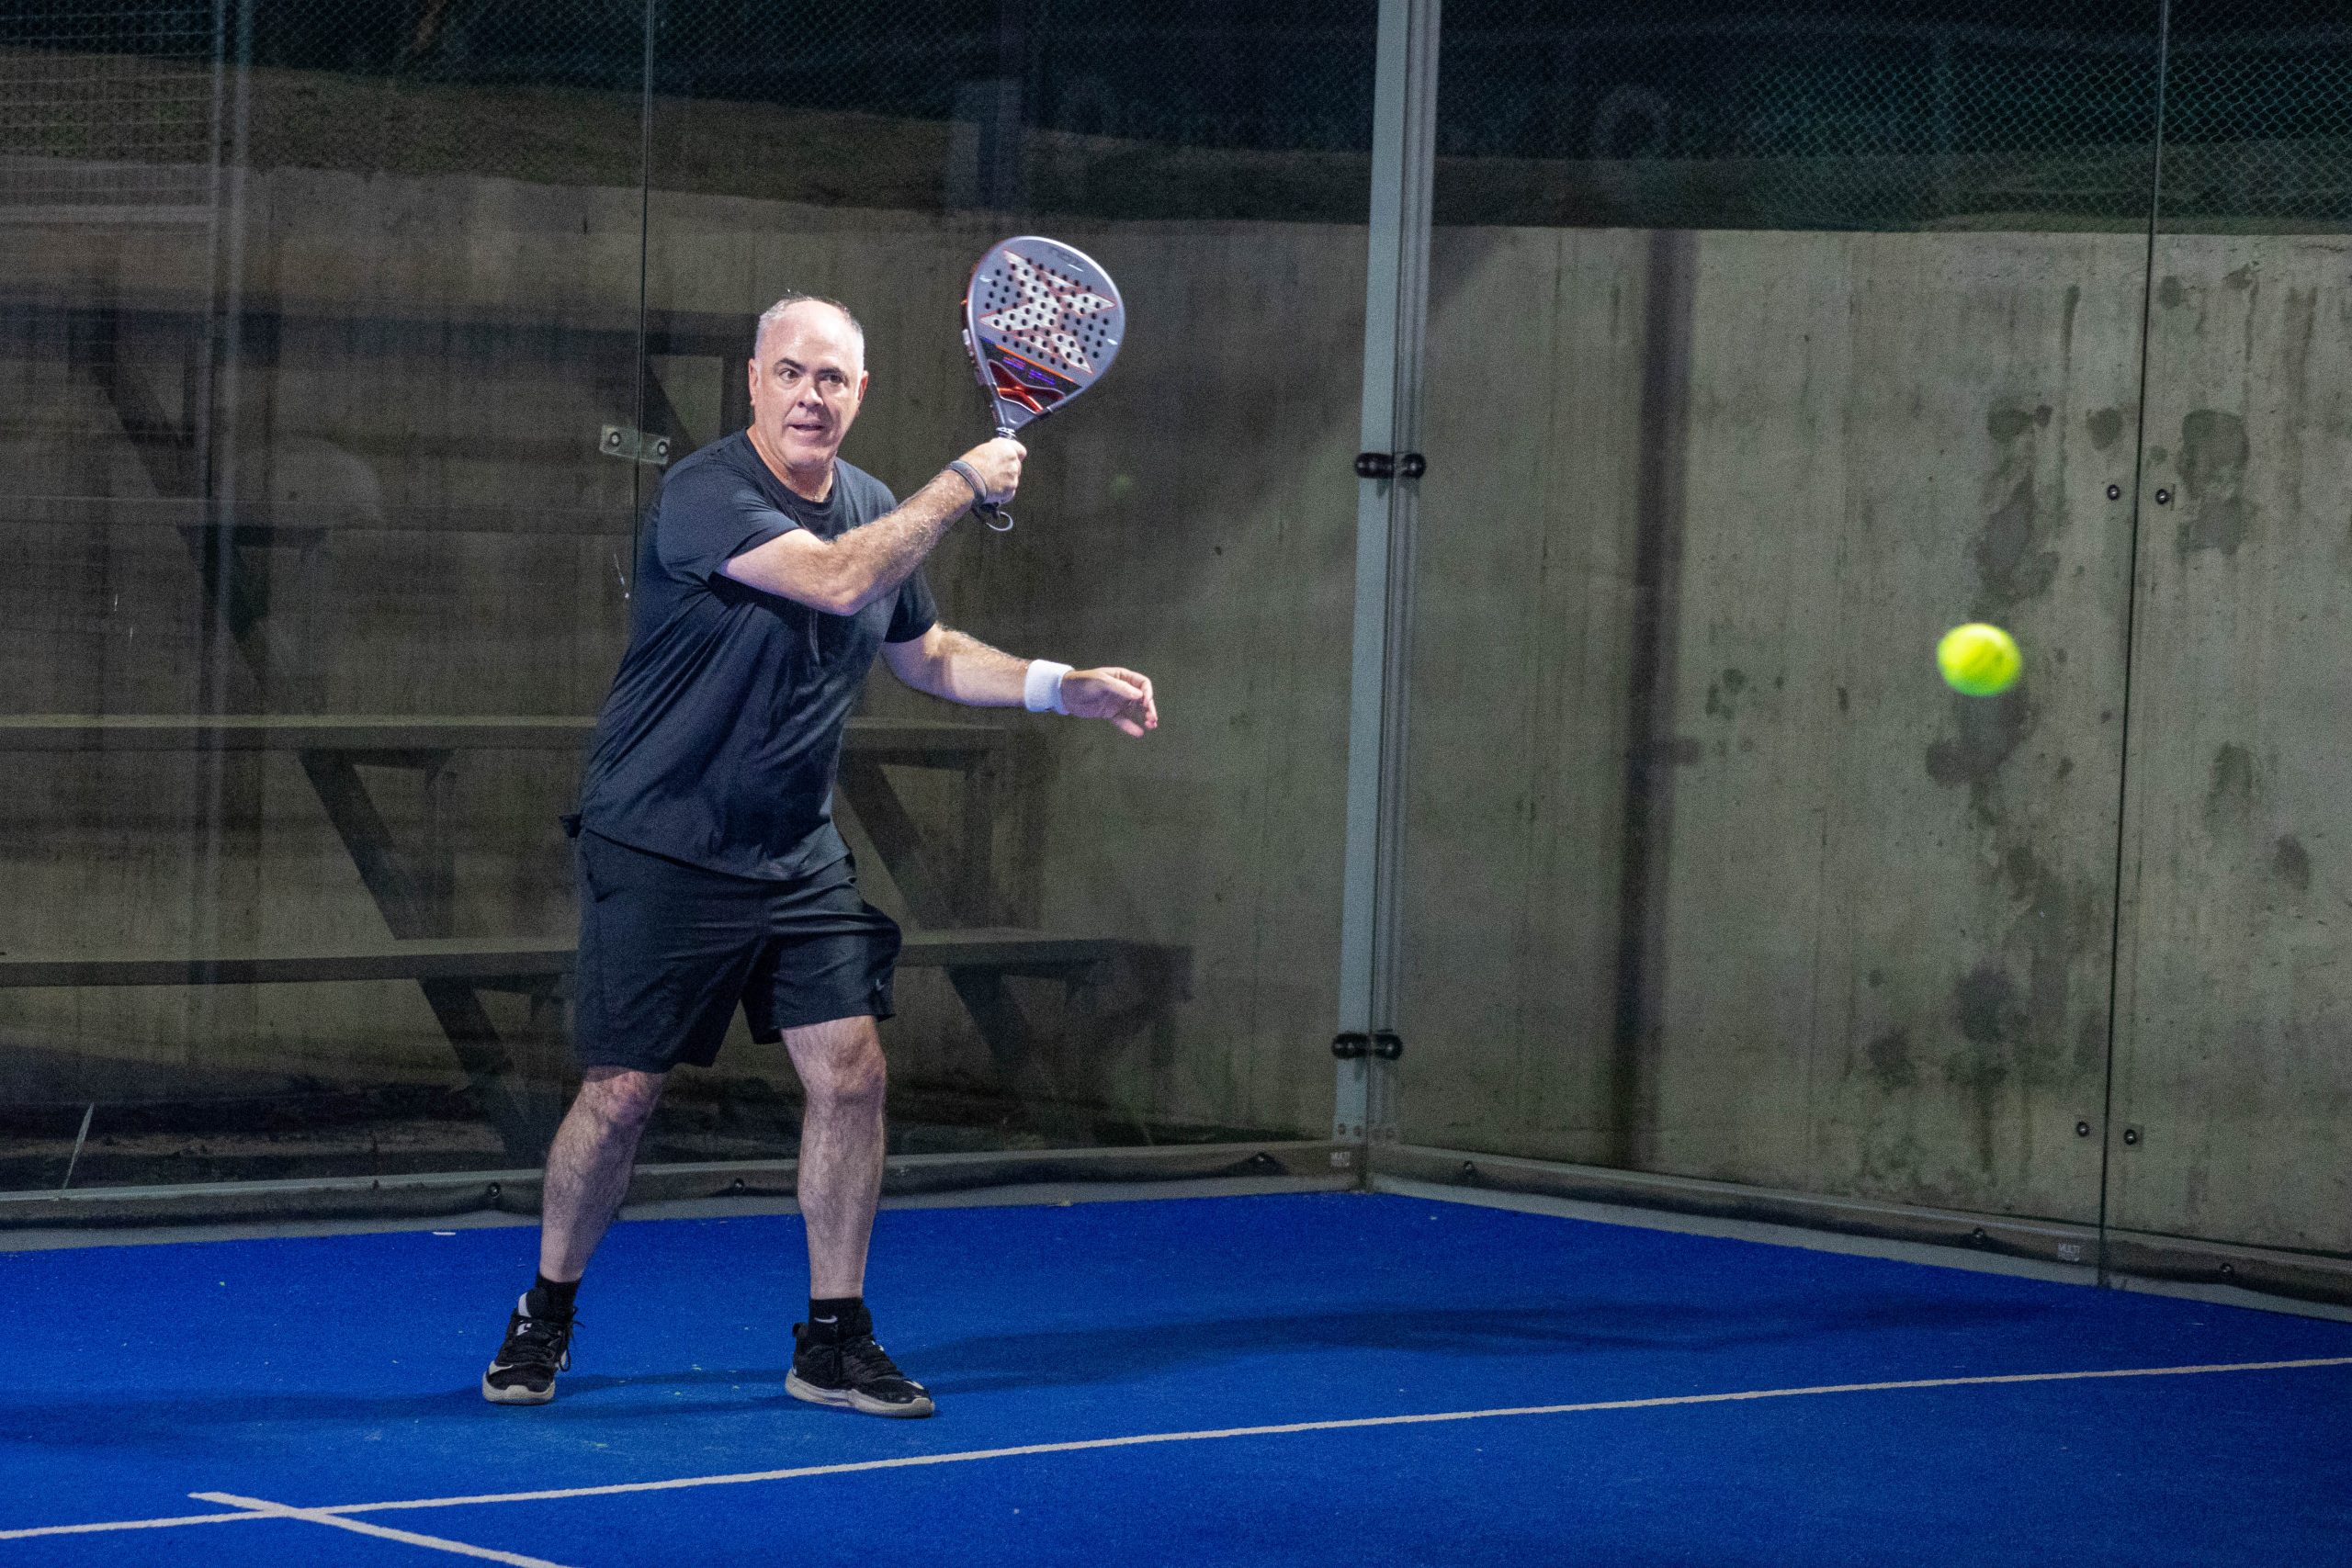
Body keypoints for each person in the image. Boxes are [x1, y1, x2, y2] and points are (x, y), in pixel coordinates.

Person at [482, 292, 1158, 1416]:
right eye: (791, 373)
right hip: (659, 843)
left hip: (795, 855)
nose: (811, 395)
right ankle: (544, 1312)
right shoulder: (705, 493)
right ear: (754, 382)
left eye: (832, 378)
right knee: (624, 1093)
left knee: (851, 1074)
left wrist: (1058, 686)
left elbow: (924, 651)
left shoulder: (875, 504)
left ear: (859, 394)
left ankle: (833, 1339)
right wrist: (963, 481)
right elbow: (841, 579)